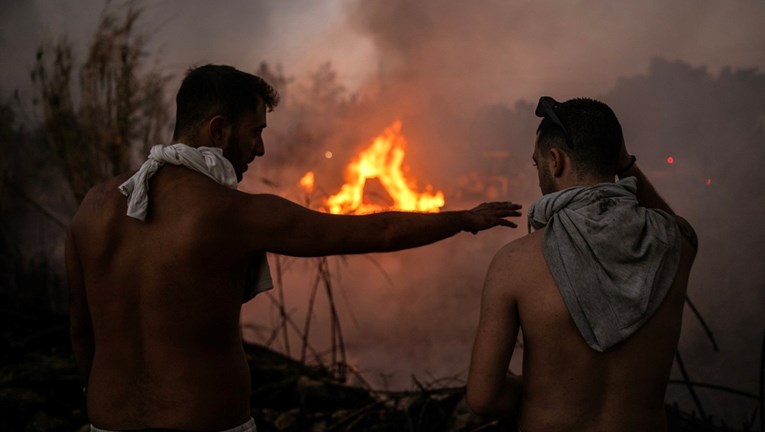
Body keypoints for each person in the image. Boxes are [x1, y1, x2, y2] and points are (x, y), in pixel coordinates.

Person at [65, 64, 523, 432]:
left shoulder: (93, 209)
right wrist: (462, 219)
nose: (260, 149)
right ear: (219, 130)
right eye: (254, 132)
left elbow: (82, 334)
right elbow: (376, 233)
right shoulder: (230, 214)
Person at [466, 97, 698, 431]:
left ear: (555, 160)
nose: (539, 174)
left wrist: (539, 394)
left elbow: (483, 399)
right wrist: (625, 164)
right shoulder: (675, 245)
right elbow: (673, 223)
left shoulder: (514, 263)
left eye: (538, 164)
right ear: (616, 159)